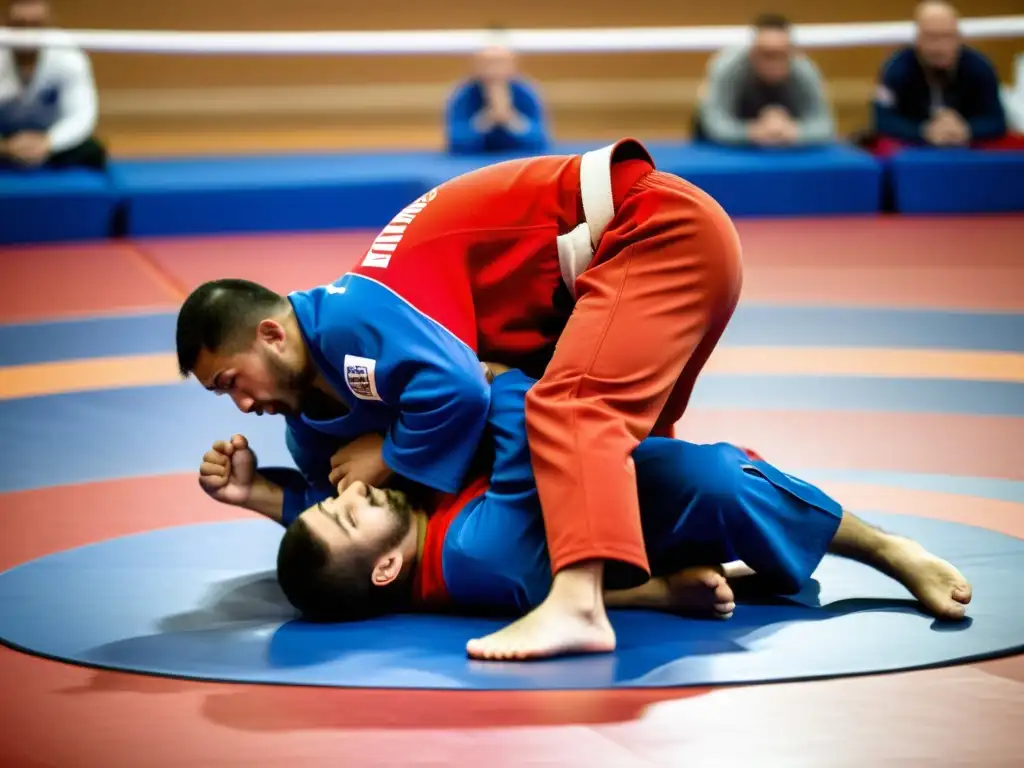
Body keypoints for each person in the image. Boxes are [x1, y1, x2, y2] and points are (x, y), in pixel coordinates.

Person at [176, 136, 744, 661]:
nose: (243, 407)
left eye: (231, 382)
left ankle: (579, 604)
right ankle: (663, 569)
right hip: (620, 266)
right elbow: (346, 516)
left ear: (271, 335)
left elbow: (462, 390)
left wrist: (392, 455)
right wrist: (261, 493)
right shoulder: (314, 414)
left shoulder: (357, 319)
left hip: (644, 231)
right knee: (633, 465)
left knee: (569, 414)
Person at [198, 368, 973, 635]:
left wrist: (265, 493)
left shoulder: (400, 541)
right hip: (629, 506)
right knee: (719, 482)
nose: (352, 492)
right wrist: (484, 375)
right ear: (388, 568)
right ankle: (887, 548)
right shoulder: (470, 547)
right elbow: (527, 420)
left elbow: (335, 524)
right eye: (345, 511)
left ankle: (668, 585)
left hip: (584, 519)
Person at [870, 1, 1009, 154]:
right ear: (918, 38)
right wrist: (924, 131)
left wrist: (966, 130)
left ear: (958, 37)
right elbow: (881, 120)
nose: (939, 46)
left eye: (946, 36)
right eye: (931, 37)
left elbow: (997, 120)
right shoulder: (896, 68)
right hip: (915, 150)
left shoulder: (979, 67)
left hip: (969, 149)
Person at [696, 13, 835, 147]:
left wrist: (793, 131)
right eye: (766, 54)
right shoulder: (727, 67)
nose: (773, 63)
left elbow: (825, 125)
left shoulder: (804, 70)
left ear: (792, 53)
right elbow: (714, 124)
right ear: (752, 52)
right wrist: (752, 132)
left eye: (780, 55)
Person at [0, 0, 106, 170]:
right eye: (20, 25)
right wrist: (5, 147)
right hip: (4, 138)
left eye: (35, 25)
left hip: (51, 137)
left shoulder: (67, 53)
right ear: (6, 23)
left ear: (48, 23)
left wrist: (49, 142)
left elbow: (81, 114)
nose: (27, 34)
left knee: (92, 150)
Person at [445, 42, 549, 155]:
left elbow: (539, 140)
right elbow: (456, 142)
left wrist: (512, 120)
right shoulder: (464, 94)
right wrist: (485, 121)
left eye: (500, 63)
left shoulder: (525, 92)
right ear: (476, 66)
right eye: (488, 64)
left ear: (513, 66)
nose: (494, 70)